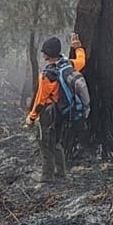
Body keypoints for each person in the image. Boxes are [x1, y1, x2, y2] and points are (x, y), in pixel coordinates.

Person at [23, 33, 85, 183]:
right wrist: (78, 48)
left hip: (48, 112)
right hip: (61, 110)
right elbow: (81, 62)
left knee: (45, 142)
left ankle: (47, 175)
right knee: (56, 141)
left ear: (47, 54)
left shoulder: (47, 75)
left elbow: (40, 101)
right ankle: (61, 171)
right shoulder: (67, 65)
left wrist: (31, 118)